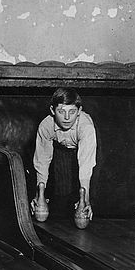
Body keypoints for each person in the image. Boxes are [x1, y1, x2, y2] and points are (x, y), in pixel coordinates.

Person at [30, 88, 96, 222]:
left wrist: (85, 199)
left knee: (87, 188)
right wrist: (39, 194)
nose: (67, 118)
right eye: (61, 112)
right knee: (61, 196)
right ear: (53, 110)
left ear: (79, 111)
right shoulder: (46, 125)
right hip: (61, 149)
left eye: (72, 112)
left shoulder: (86, 127)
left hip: (85, 150)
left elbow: (85, 165)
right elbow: (42, 161)